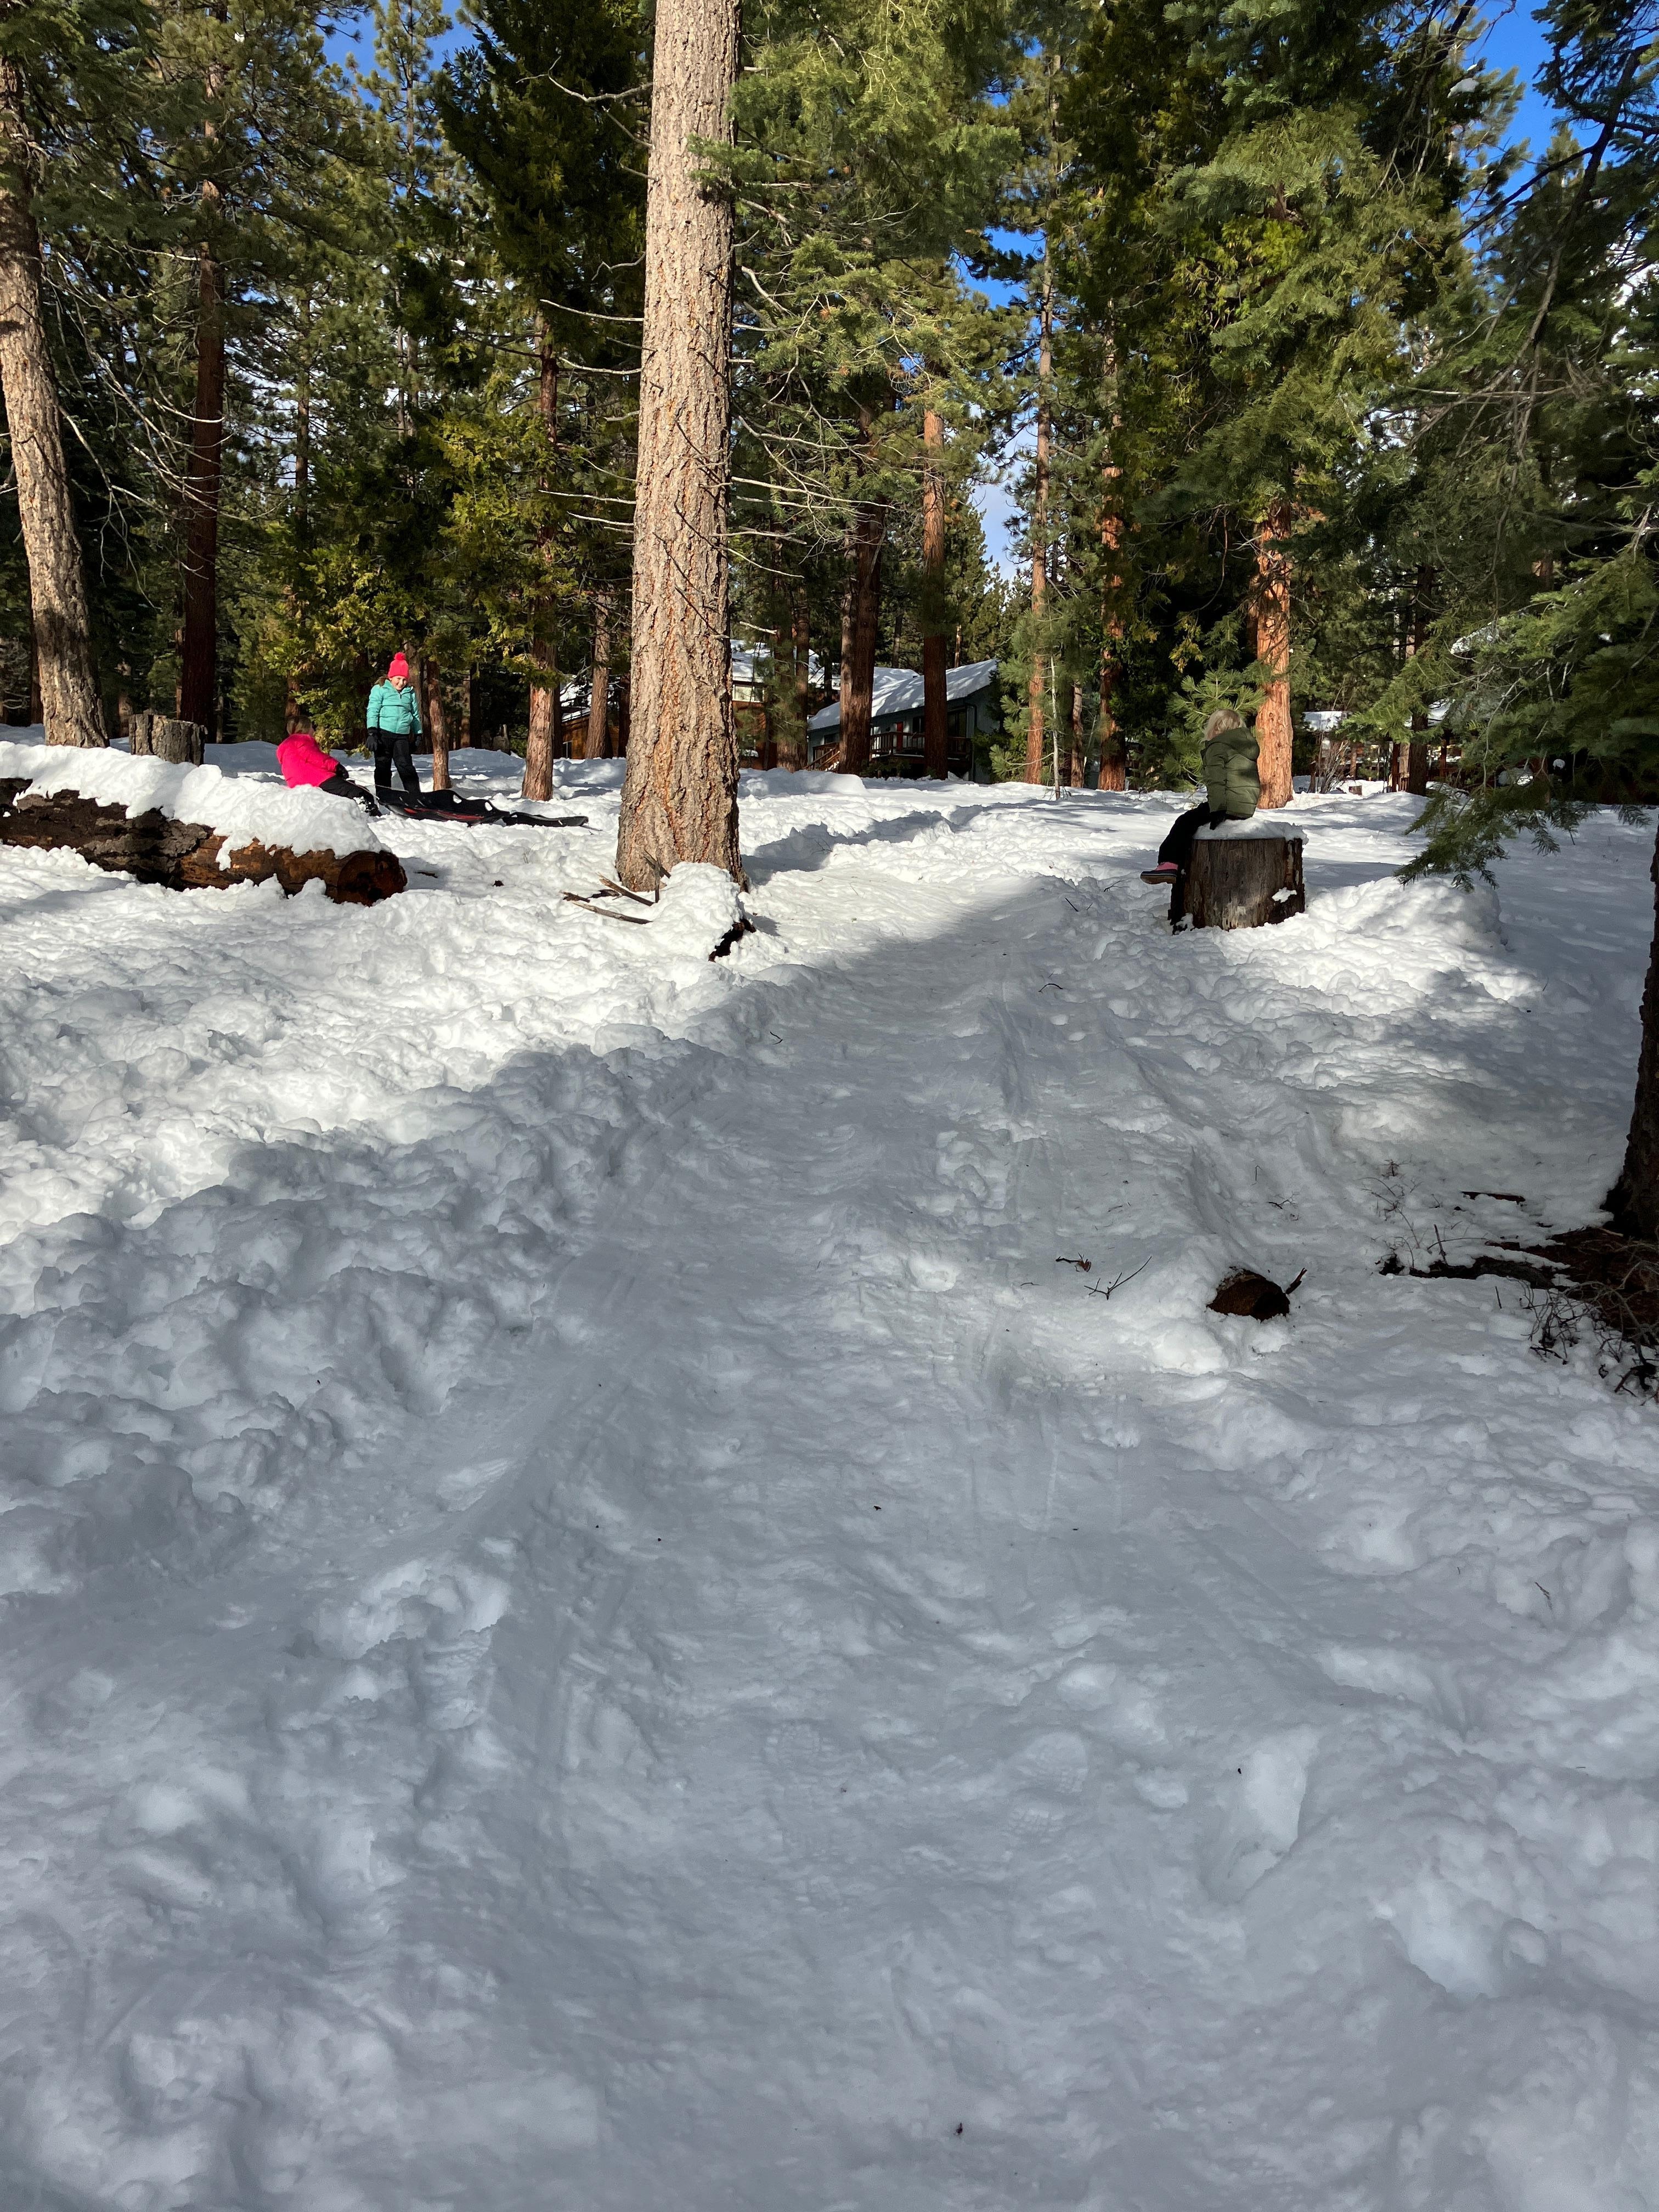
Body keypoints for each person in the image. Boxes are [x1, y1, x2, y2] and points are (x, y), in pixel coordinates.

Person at [1141, 707, 1260, 885]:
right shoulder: (1244, 747)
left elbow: (1217, 781)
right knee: (1193, 823)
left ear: (1216, 728)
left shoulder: (1219, 746)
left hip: (1226, 804)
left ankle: (1169, 864)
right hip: (1245, 806)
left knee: (1185, 822)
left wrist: (1218, 809)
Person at [275, 729, 380, 815]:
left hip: (299, 784)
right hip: (317, 779)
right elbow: (316, 758)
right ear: (305, 729)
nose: (314, 731)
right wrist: (336, 767)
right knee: (361, 793)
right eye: (312, 727)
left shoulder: (286, 747)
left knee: (345, 791)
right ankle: (373, 817)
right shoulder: (301, 740)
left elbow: (305, 763)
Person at [365, 652, 424, 800]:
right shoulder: (380, 688)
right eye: (398, 679)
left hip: (402, 736)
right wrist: (372, 732)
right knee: (383, 766)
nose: (401, 683)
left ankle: (416, 798)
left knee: (406, 766)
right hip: (383, 733)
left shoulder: (410, 692)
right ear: (391, 677)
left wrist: (418, 734)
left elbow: (415, 714)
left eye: (404, 680)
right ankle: (384, 798)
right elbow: (373, 710)